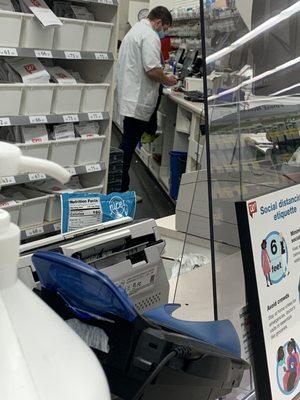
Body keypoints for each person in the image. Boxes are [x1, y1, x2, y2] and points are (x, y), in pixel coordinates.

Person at [116, 6, 177, 199]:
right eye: (164, 29)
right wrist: (168, 79)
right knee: (127, 146)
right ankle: (122, 191)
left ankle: (119, 187)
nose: (163, 33)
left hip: (130, 96)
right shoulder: (150, 36)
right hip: (138, 100)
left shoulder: (135, 31)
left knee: (127, 143)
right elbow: (152, 70)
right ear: (158, 22)